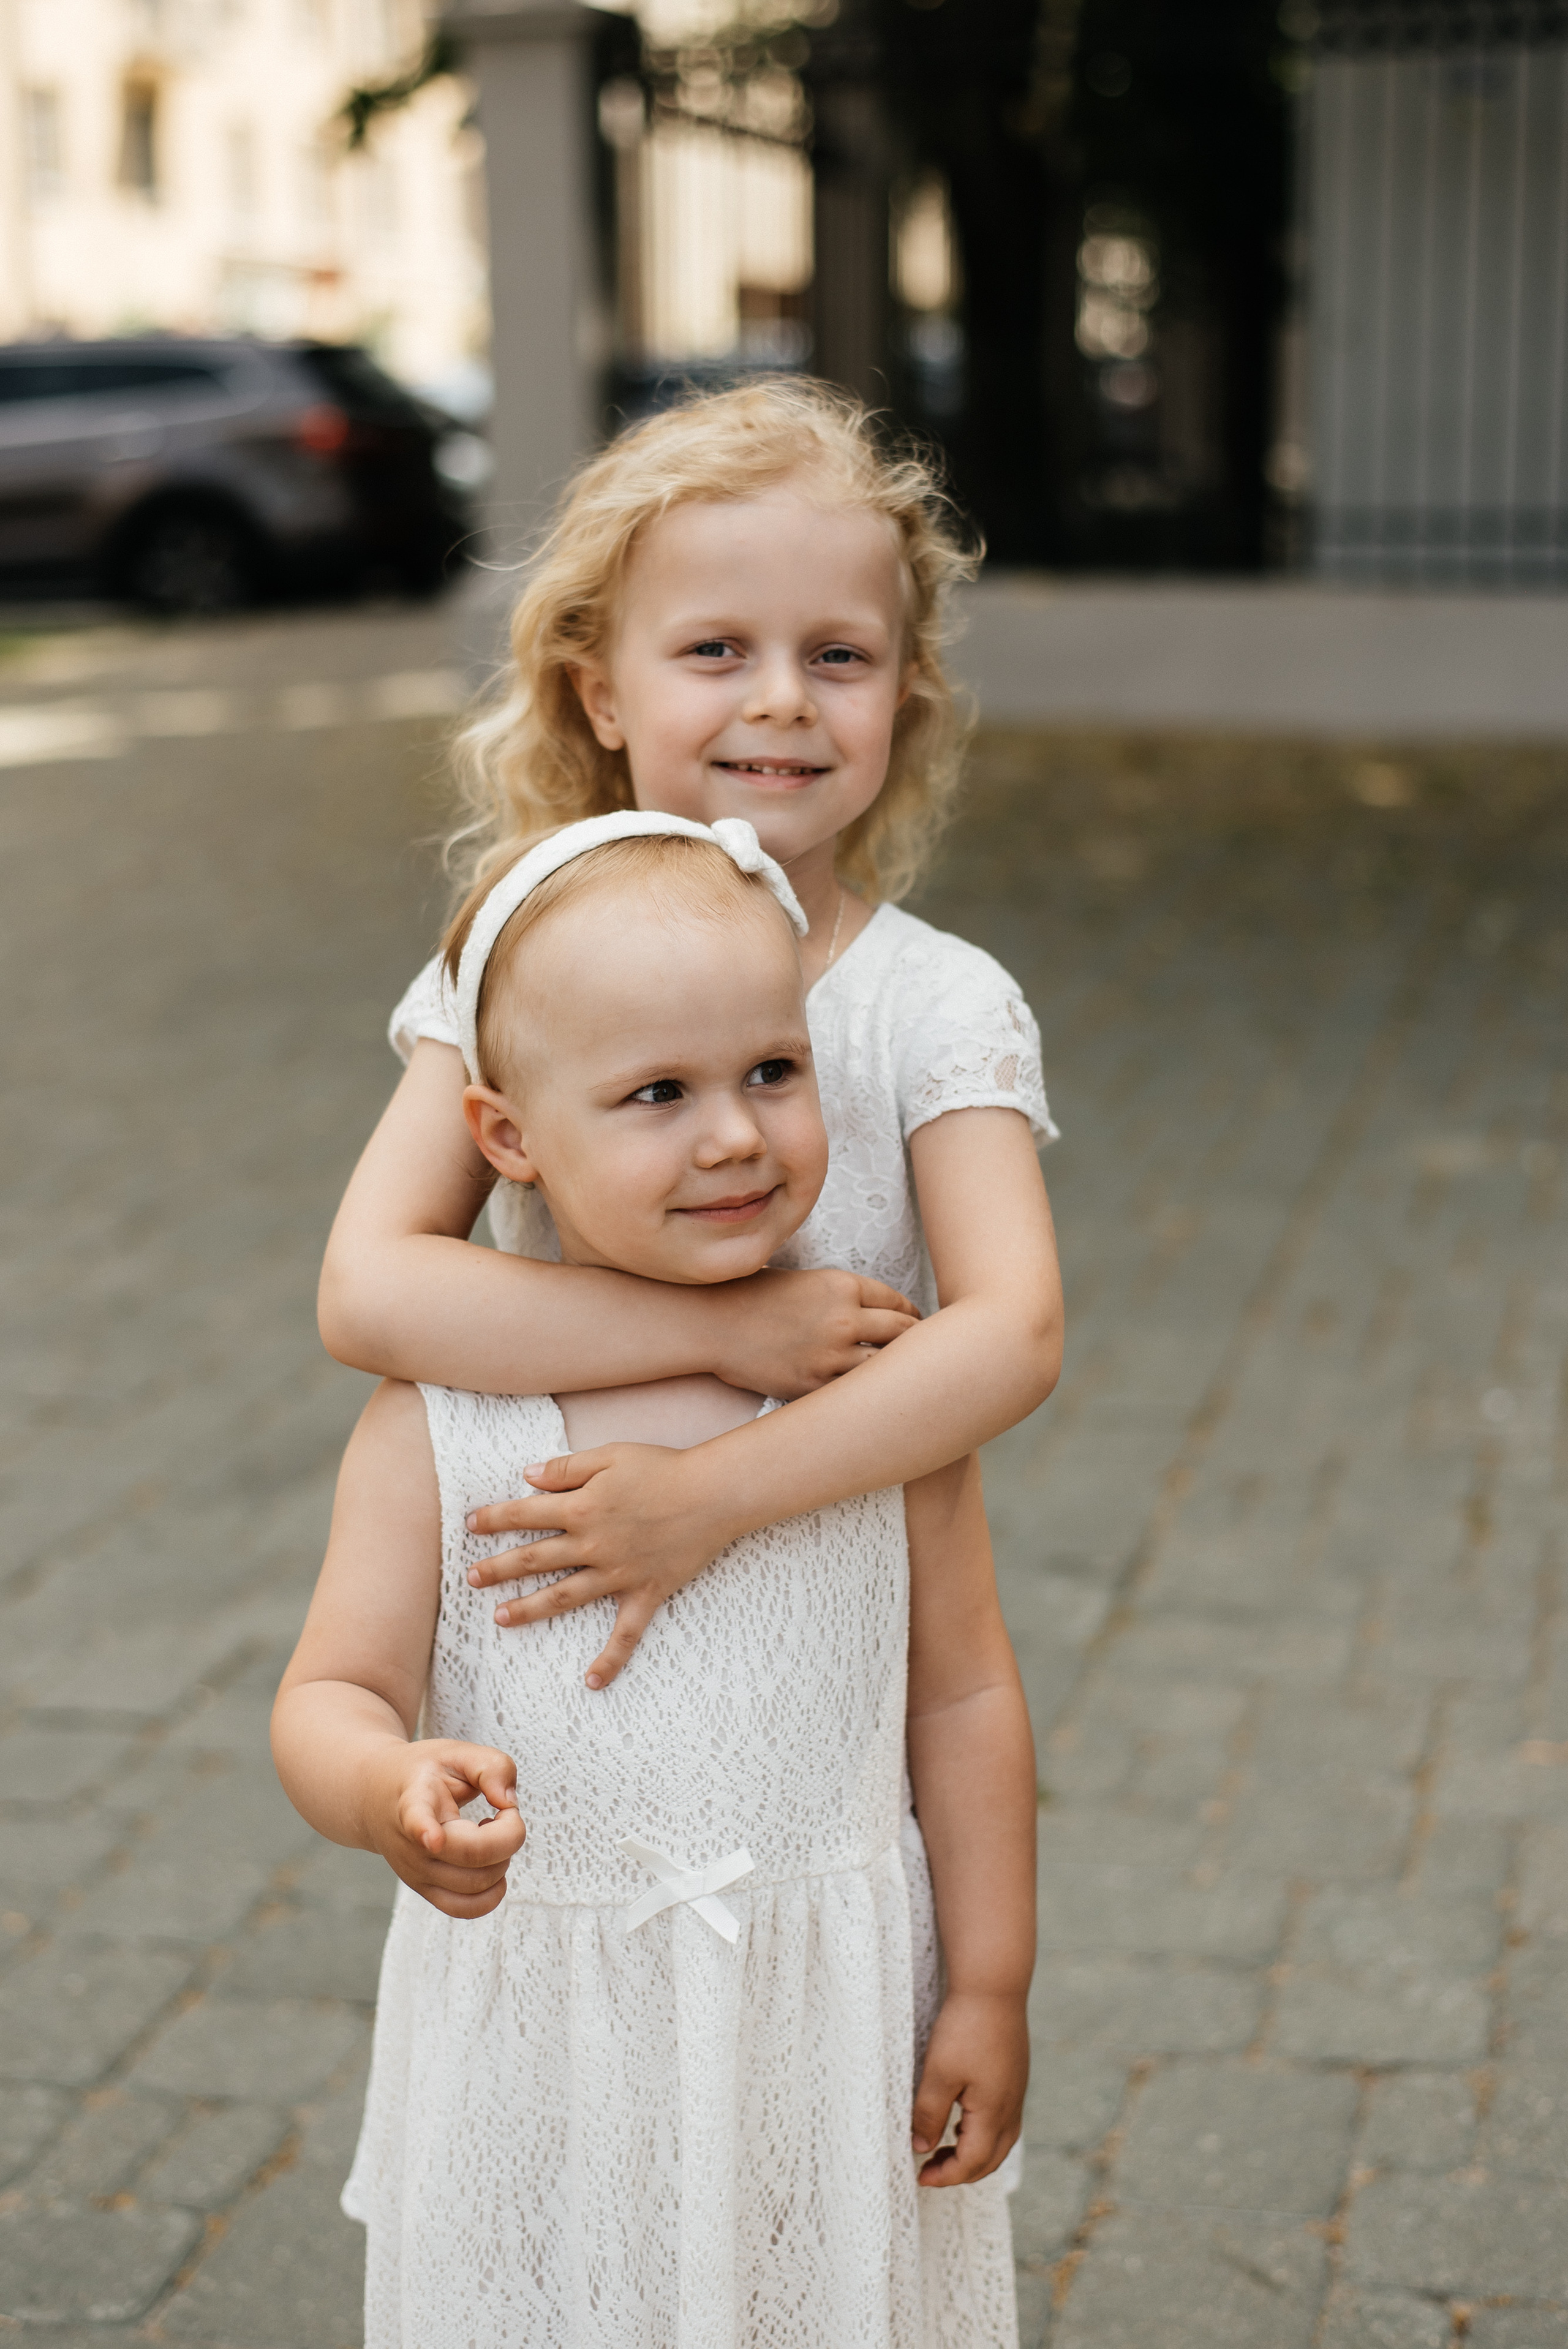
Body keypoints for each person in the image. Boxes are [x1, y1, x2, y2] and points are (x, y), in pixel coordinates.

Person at [273, 818, 1038, 2346]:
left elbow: (960, 1690)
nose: (736, 1135)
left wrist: (990, 1983)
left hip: (817, 2037)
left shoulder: (873, 1395)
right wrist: (386, 1787)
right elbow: (330, 1690)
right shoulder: (447, 1418)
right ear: (504, 1136)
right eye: (656, 1096)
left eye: (771, 1069)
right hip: (551, 2043)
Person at [316, 378, 1063, 1690]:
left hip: (839, 1613)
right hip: (571, 1616)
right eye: (715, 649)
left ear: (903, 690)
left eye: (836, 655)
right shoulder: (515, 965)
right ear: (600, 693)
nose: (780, 699)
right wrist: (724, 1333)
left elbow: (1012, 1334)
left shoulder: (937, 1001)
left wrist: (713, 1491)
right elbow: (369, 1290)